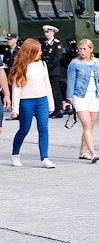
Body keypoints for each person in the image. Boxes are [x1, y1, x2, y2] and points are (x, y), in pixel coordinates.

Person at [9, 38, 57, 168]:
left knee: (43, 128)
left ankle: (44, 158)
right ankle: (15, 154)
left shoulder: (42, 65)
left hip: (42, 100)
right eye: (38, 51)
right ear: (30, 52)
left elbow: (47, 84)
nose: (41, 53)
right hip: (26, 102)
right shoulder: (21, 66)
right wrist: (15, 108)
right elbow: (16, 88)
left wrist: (51, 103)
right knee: (24, 129)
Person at [63, 39, 99, 163]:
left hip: (94, 97)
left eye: (84, 49)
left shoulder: (97, 62)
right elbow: (70, 82)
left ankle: (82, 152)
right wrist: (69, 100)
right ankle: (93, 153)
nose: (82, 51)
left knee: (90, 127)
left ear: (91, 49)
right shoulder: (74, 63)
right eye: (80, 49)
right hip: (80, 97)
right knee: (87, 125)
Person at [41, 25, 65, 119]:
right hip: (47, 70)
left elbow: (57, 58)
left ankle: (58, 110)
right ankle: (52, 109)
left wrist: (48, 67)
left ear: (53, 32)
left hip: (53, 70)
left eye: (48, 32)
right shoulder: (45, 44)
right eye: (45, 32)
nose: (46, 34)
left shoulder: (56, 43)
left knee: (56, 91)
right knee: (49, 91)